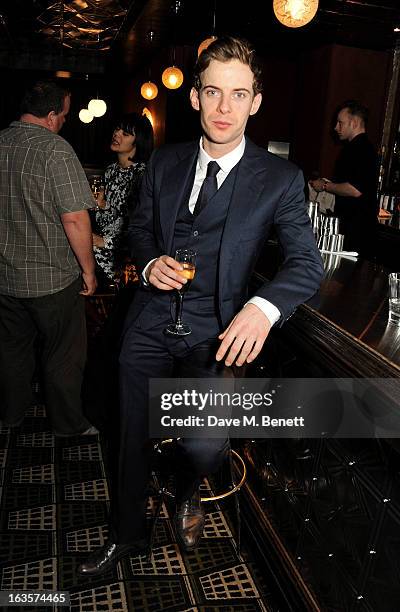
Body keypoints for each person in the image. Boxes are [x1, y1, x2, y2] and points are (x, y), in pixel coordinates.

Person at [78, 36, 323, 576]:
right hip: (148, 319)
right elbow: (139, 231)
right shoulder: (163, 162)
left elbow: (307, 262)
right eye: (213, 92)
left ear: (255, 102)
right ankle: (127, 536)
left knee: (206, 445)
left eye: (238, 95)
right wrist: (146, 266)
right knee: (130, 433)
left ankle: (187, 489)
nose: (224, 108)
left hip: (217, 330)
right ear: (195, 97)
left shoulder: (280, 178)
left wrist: (263, 307)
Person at [0, 80, 98, 436]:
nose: (65, 121)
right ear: (52, 115)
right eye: (66, 115)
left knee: (11, 350)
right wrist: (88, 270)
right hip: (52, 280)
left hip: (5, 279)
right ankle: (68, 425)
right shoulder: (56, 150)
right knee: (64, 355)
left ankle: (11, 414)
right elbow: (74, 217)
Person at [310, 100, 379, 256]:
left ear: (354, 123)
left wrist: (325, 186)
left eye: (340, 123)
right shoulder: (359, 148)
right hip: (356, 227)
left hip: (357, 231)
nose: (336, 127)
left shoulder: (360, 149)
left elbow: (355, 190)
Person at [92, 113, 154, 285]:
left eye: (125, 134)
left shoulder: (143, 174)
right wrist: (101, 206)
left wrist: (104, 241)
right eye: (117, 129)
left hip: (124, 254)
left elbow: (142, 225)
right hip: (101, 243)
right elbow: (106, 219)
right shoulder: (111, 170)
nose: (116, 134)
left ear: (138, 141)